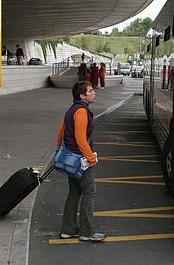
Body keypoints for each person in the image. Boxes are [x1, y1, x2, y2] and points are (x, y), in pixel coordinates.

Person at [55, 81, 105, 242]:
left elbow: (61, 131)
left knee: (75, 192)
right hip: (80, 159)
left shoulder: (72, 109)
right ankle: (87, 231)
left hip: (71, 158)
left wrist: (60, 150)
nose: (94, 93)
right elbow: (80, 138)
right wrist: (91, 158)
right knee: (90, 192)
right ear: (82, 95)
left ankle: (68, 229)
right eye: (90, 91)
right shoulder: (82, 111)